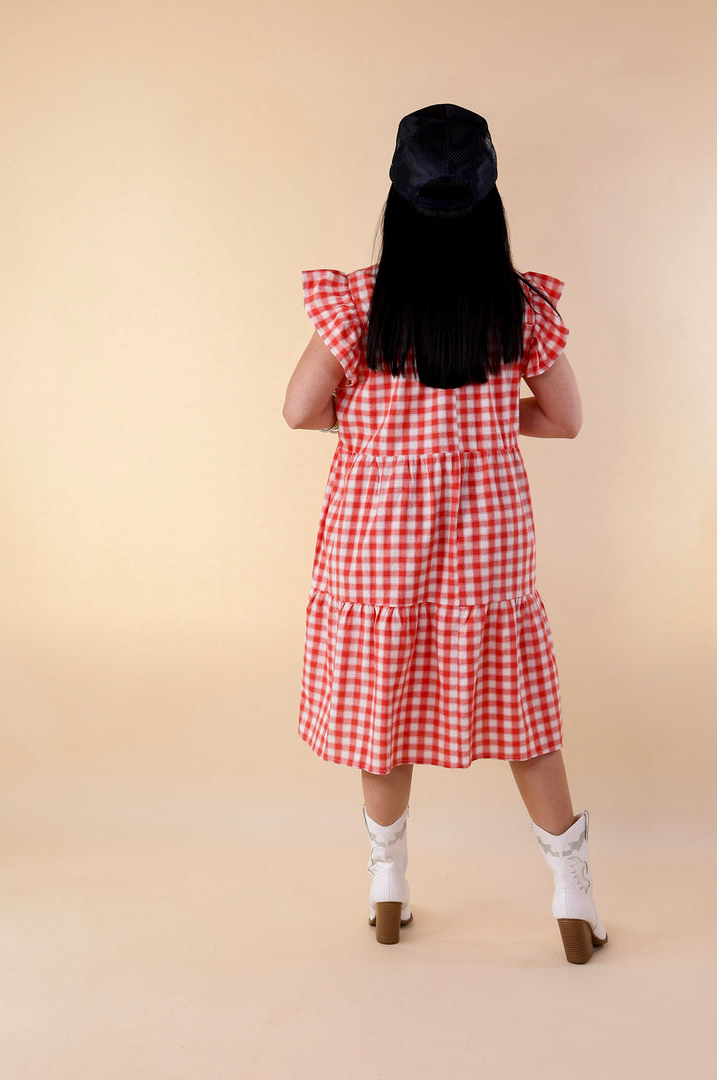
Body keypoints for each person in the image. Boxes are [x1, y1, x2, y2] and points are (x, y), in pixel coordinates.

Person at [283, 104, 607, 964]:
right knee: (524, 712)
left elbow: (297, 409)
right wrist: (489, 423)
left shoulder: (356, 301)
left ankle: (387, 883)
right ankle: (572, 895)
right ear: (490, 201)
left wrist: (376, 429)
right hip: (483, 540)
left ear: (396, 199)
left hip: (375, 540)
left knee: (380, 705)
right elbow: (566, 420)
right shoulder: (518, 305)